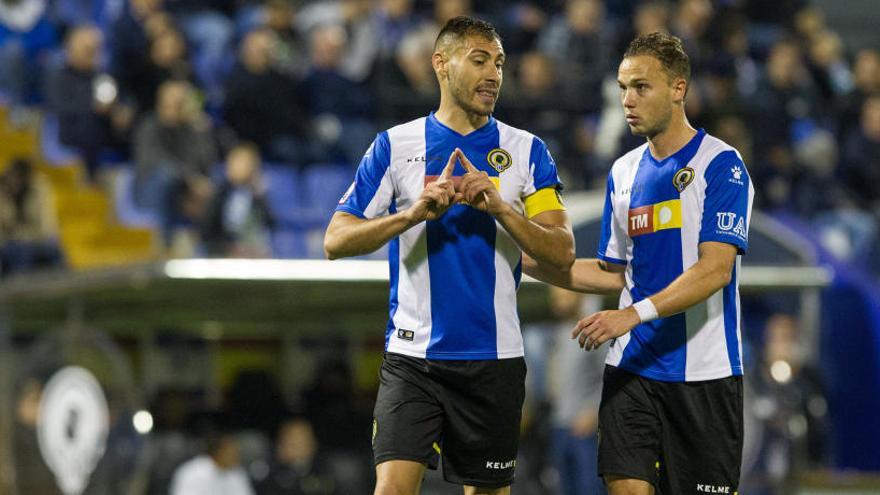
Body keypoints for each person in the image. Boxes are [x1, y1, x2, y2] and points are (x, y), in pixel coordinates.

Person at [323, 15, 575, 495]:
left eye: (499, 63)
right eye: (479, 60)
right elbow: (335, 240)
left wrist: (502, 208)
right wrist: (411, 215)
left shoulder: (527, 151)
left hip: (495, 360)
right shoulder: (396, 146)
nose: (494, 75)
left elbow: (562, 253)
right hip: (412, 356)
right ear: (440, 64)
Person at [525, 32, 753, 495]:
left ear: (678, 89)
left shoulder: (721, 166)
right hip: (632, 371)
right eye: (622, 87)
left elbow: (715, 271)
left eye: (641, 87)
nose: (627, 100)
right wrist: (526, 261)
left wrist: (631, 314)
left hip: (704, 379)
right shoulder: (623, 173)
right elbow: (614, 273)